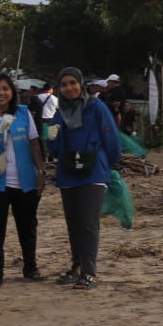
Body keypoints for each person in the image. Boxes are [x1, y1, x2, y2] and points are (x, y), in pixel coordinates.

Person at [46, 66, 121, 290]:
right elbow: (54, 145)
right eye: (64, 84)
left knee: (88, 223)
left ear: (81, 84)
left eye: (73, 83)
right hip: (68, 173)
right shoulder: (60, 112)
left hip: (93, 173)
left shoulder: (96, 107)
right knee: (74, 224)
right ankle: (77, 266)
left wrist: (105, 166)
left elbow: (112, 141)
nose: (69, 88)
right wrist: (51, 137)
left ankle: (89, 272)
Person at [0, 74, 45, 287]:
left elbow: (34, 143)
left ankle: (31, 267)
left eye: (5, 89)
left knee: (28, 226)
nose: (1, 93)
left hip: (25, 181)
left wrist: (41, 171)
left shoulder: (23, 113)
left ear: (12, 92)